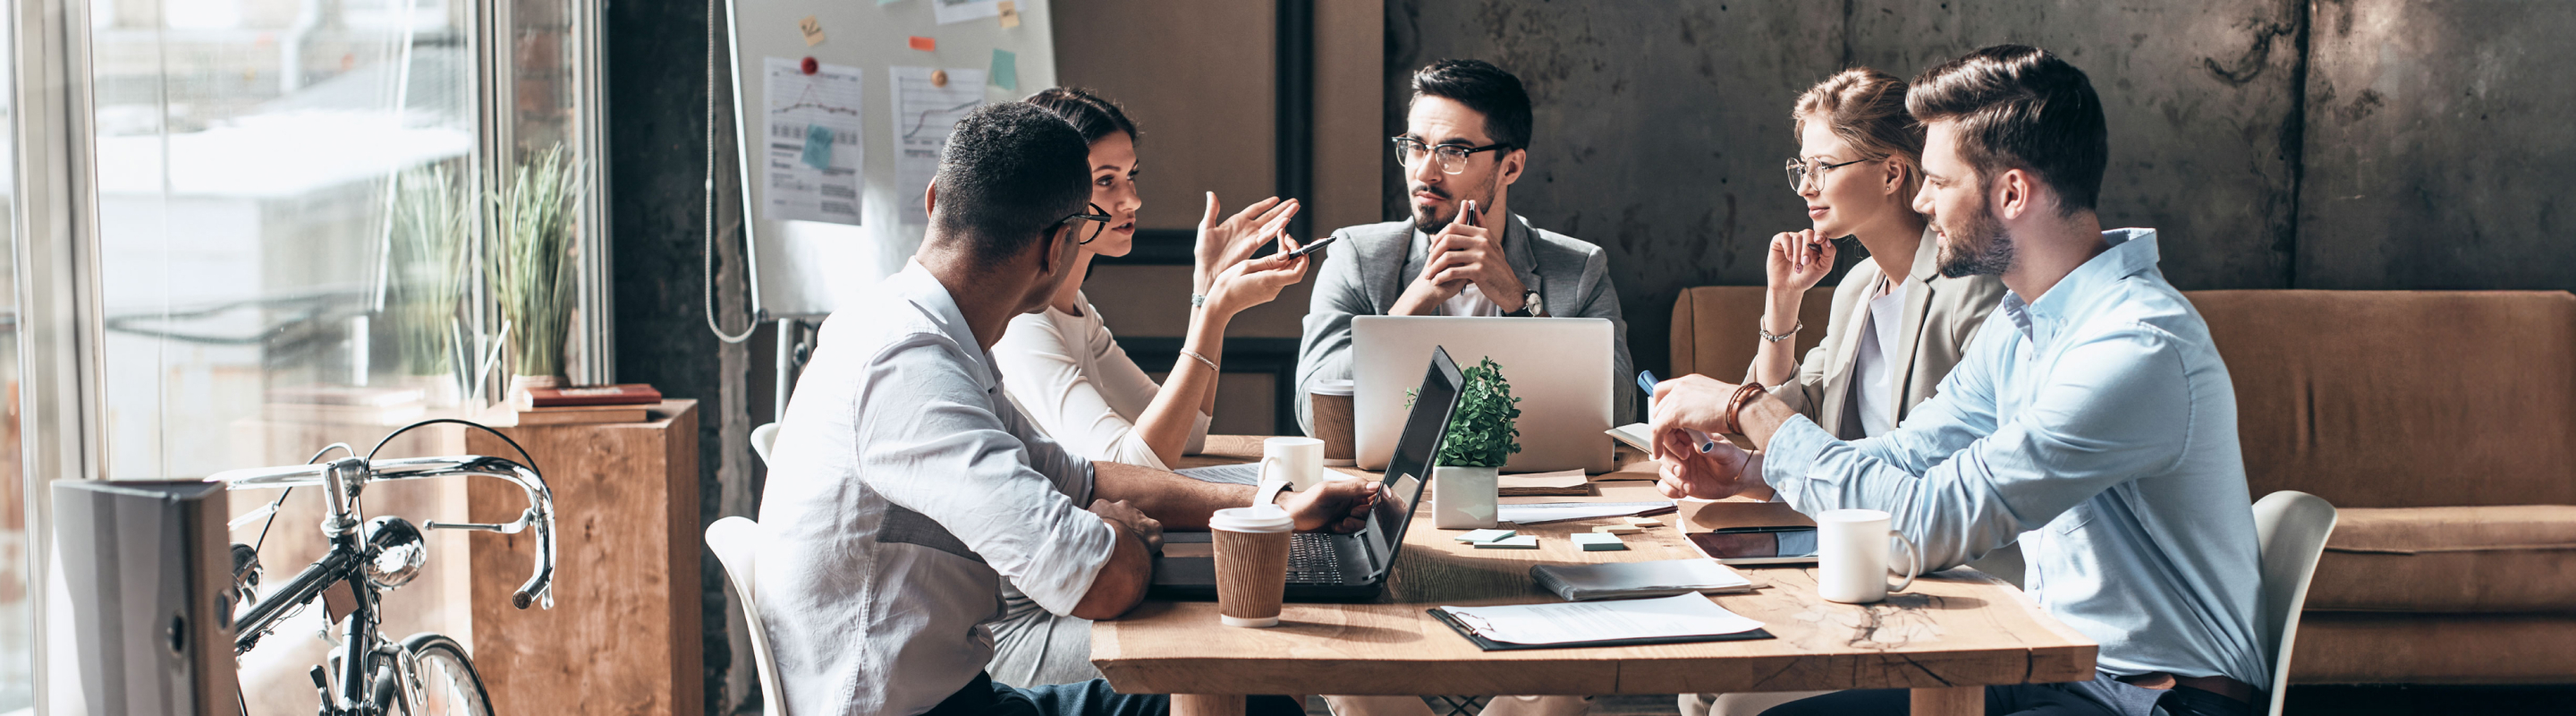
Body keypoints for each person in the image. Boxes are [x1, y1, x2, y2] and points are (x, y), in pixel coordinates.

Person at [1649, 46, 2267, 716]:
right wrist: (1750, 470)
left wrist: (1748, 408)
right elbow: (1908, 454)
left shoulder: (2133, 347)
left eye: (1940, 183)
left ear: (2011, 193)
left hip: (2157, 698)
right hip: (2056, 663)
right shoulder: (2025, 323)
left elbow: (1925, 521)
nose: (1921, 199)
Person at [755, 102, 1383, 716]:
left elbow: (1083, 478)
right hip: (923, 706)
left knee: (1258, 695)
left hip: (960, 693)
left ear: (933, 200)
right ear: (1059, 246)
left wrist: (1272, 507)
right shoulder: (909, 365)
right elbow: (1099, 581)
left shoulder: (916, 329)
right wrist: (1121, 533)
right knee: (1254, 692)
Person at [1680, 67, 2015, 716]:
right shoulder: (1859, 290)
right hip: (1855, 560)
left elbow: (1955, 474)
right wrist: (1782, 307)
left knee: (1730, 703)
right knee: (1700, 675)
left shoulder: (1973, 293)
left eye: (1824, 166)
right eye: (1800, 167)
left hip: (1950, 580)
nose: (1806, 186)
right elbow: (1795, 412)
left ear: (1894, 174)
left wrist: (1746, 421)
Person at [983, 88, 1311, 687]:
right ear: (1055, 190)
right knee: (1266, 644)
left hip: (1081, 592)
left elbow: (1190, 432)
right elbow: (1134, 463)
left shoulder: (1074, 309)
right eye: (1105, 181)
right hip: (1021, 629)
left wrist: (1205, 295)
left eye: (1131, 176)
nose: (1131, 199)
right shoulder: (1024, 328)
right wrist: (1213, 313)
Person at [1295, 58, 1634, 435]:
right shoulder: (1356, 257)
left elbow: (1618, 414)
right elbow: (1315, 418)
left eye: (1453, 152)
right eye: (1416, 146)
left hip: (1539, 488)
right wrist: (1412, 304)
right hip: (1397, 487)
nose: (1425, 172)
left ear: (1511, 167)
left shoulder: (1580, 269)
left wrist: (1519, 303)